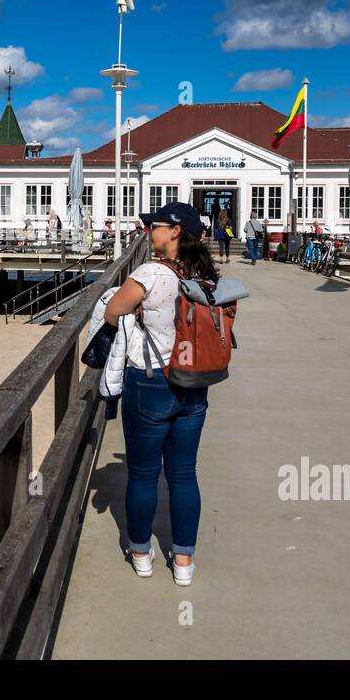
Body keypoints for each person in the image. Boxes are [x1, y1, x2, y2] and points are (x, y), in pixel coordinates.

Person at [103, 202, 216, 587]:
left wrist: (138, 315)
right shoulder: (205, 274)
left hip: (150, 382)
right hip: (194, 383)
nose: (149, 231)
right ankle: (183, 561)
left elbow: (112, 312)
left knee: (144, 474)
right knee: (184, 474)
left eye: (156, 226)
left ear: (175, 231)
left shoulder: (150, 273)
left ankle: (140, 553)